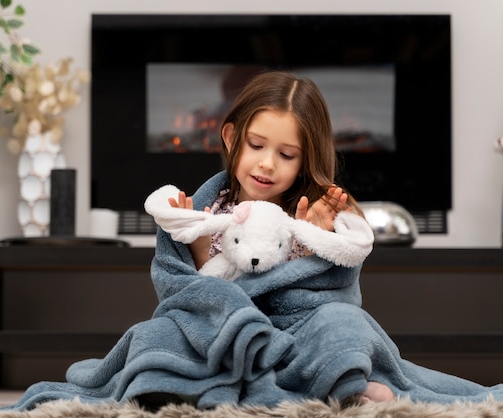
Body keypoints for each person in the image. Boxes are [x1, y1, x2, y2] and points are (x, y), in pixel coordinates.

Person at [167, 70, 394, 405]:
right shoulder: (211, 211)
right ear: (231, 138)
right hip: (233, 338)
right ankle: (308, 386)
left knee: (344, 322)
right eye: (256, 145)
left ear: (304, 162)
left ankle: (340, 380)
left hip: (297, 336)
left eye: (286, 155)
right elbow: (195, 296)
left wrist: (312, 238)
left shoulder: (308, 213)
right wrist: (198, 246)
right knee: (161, 335)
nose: (267, 164)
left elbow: (319, 294)